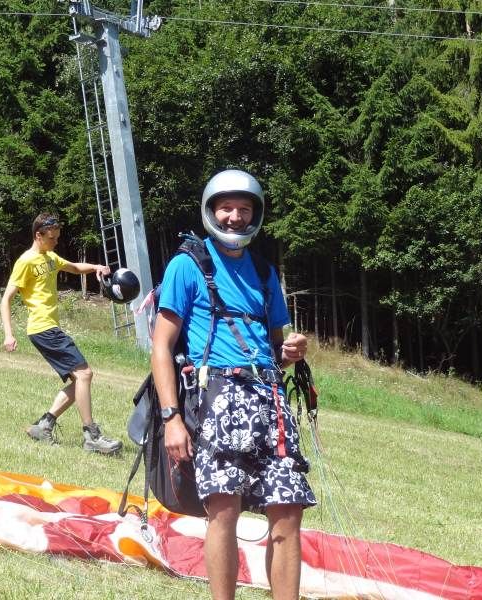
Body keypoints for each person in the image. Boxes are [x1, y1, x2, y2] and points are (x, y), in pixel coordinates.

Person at [151, 170, 315, 600]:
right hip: (218, 397)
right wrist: (171, 419)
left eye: (244, 209)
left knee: (288, 510)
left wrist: (291, 351)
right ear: (211, 211)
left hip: (270, 399)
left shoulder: (263, 271)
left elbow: (274, 347)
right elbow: (161, 346)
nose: (235, 217)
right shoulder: (187, 265)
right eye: (226, 208)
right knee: (224, 508)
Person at [0, 212, 122, 454]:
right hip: (42, 328)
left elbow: (74, 267)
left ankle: (43, 426)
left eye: (57, 237)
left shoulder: (50, 257)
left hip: (49, 328)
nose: (56, 241)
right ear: (38, 235)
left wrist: (96, 267)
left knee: (80, 381)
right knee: (84, 374)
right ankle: (91, 436)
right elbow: (6, 299)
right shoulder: (26, 262)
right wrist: (8, 334)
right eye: (52, 238)